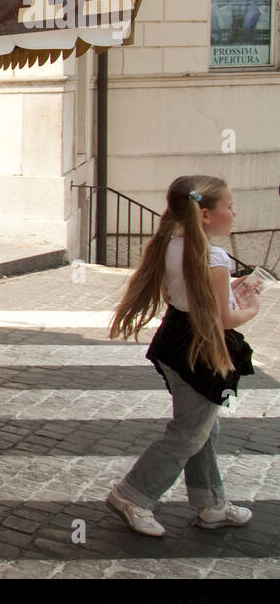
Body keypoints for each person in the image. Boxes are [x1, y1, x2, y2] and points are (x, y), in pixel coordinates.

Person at [106, 176, 259, 536]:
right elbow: (223, 319)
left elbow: (191, 293)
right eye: (229, 206)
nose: (234, 213)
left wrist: (229, 289)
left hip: (174, 342)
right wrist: (250, 310)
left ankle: (211, 505)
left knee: (202, 428)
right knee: (189, 433)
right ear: (205, 214)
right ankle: (133, 495)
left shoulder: (172, 243)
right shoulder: (214, 256)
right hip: (202, 351)